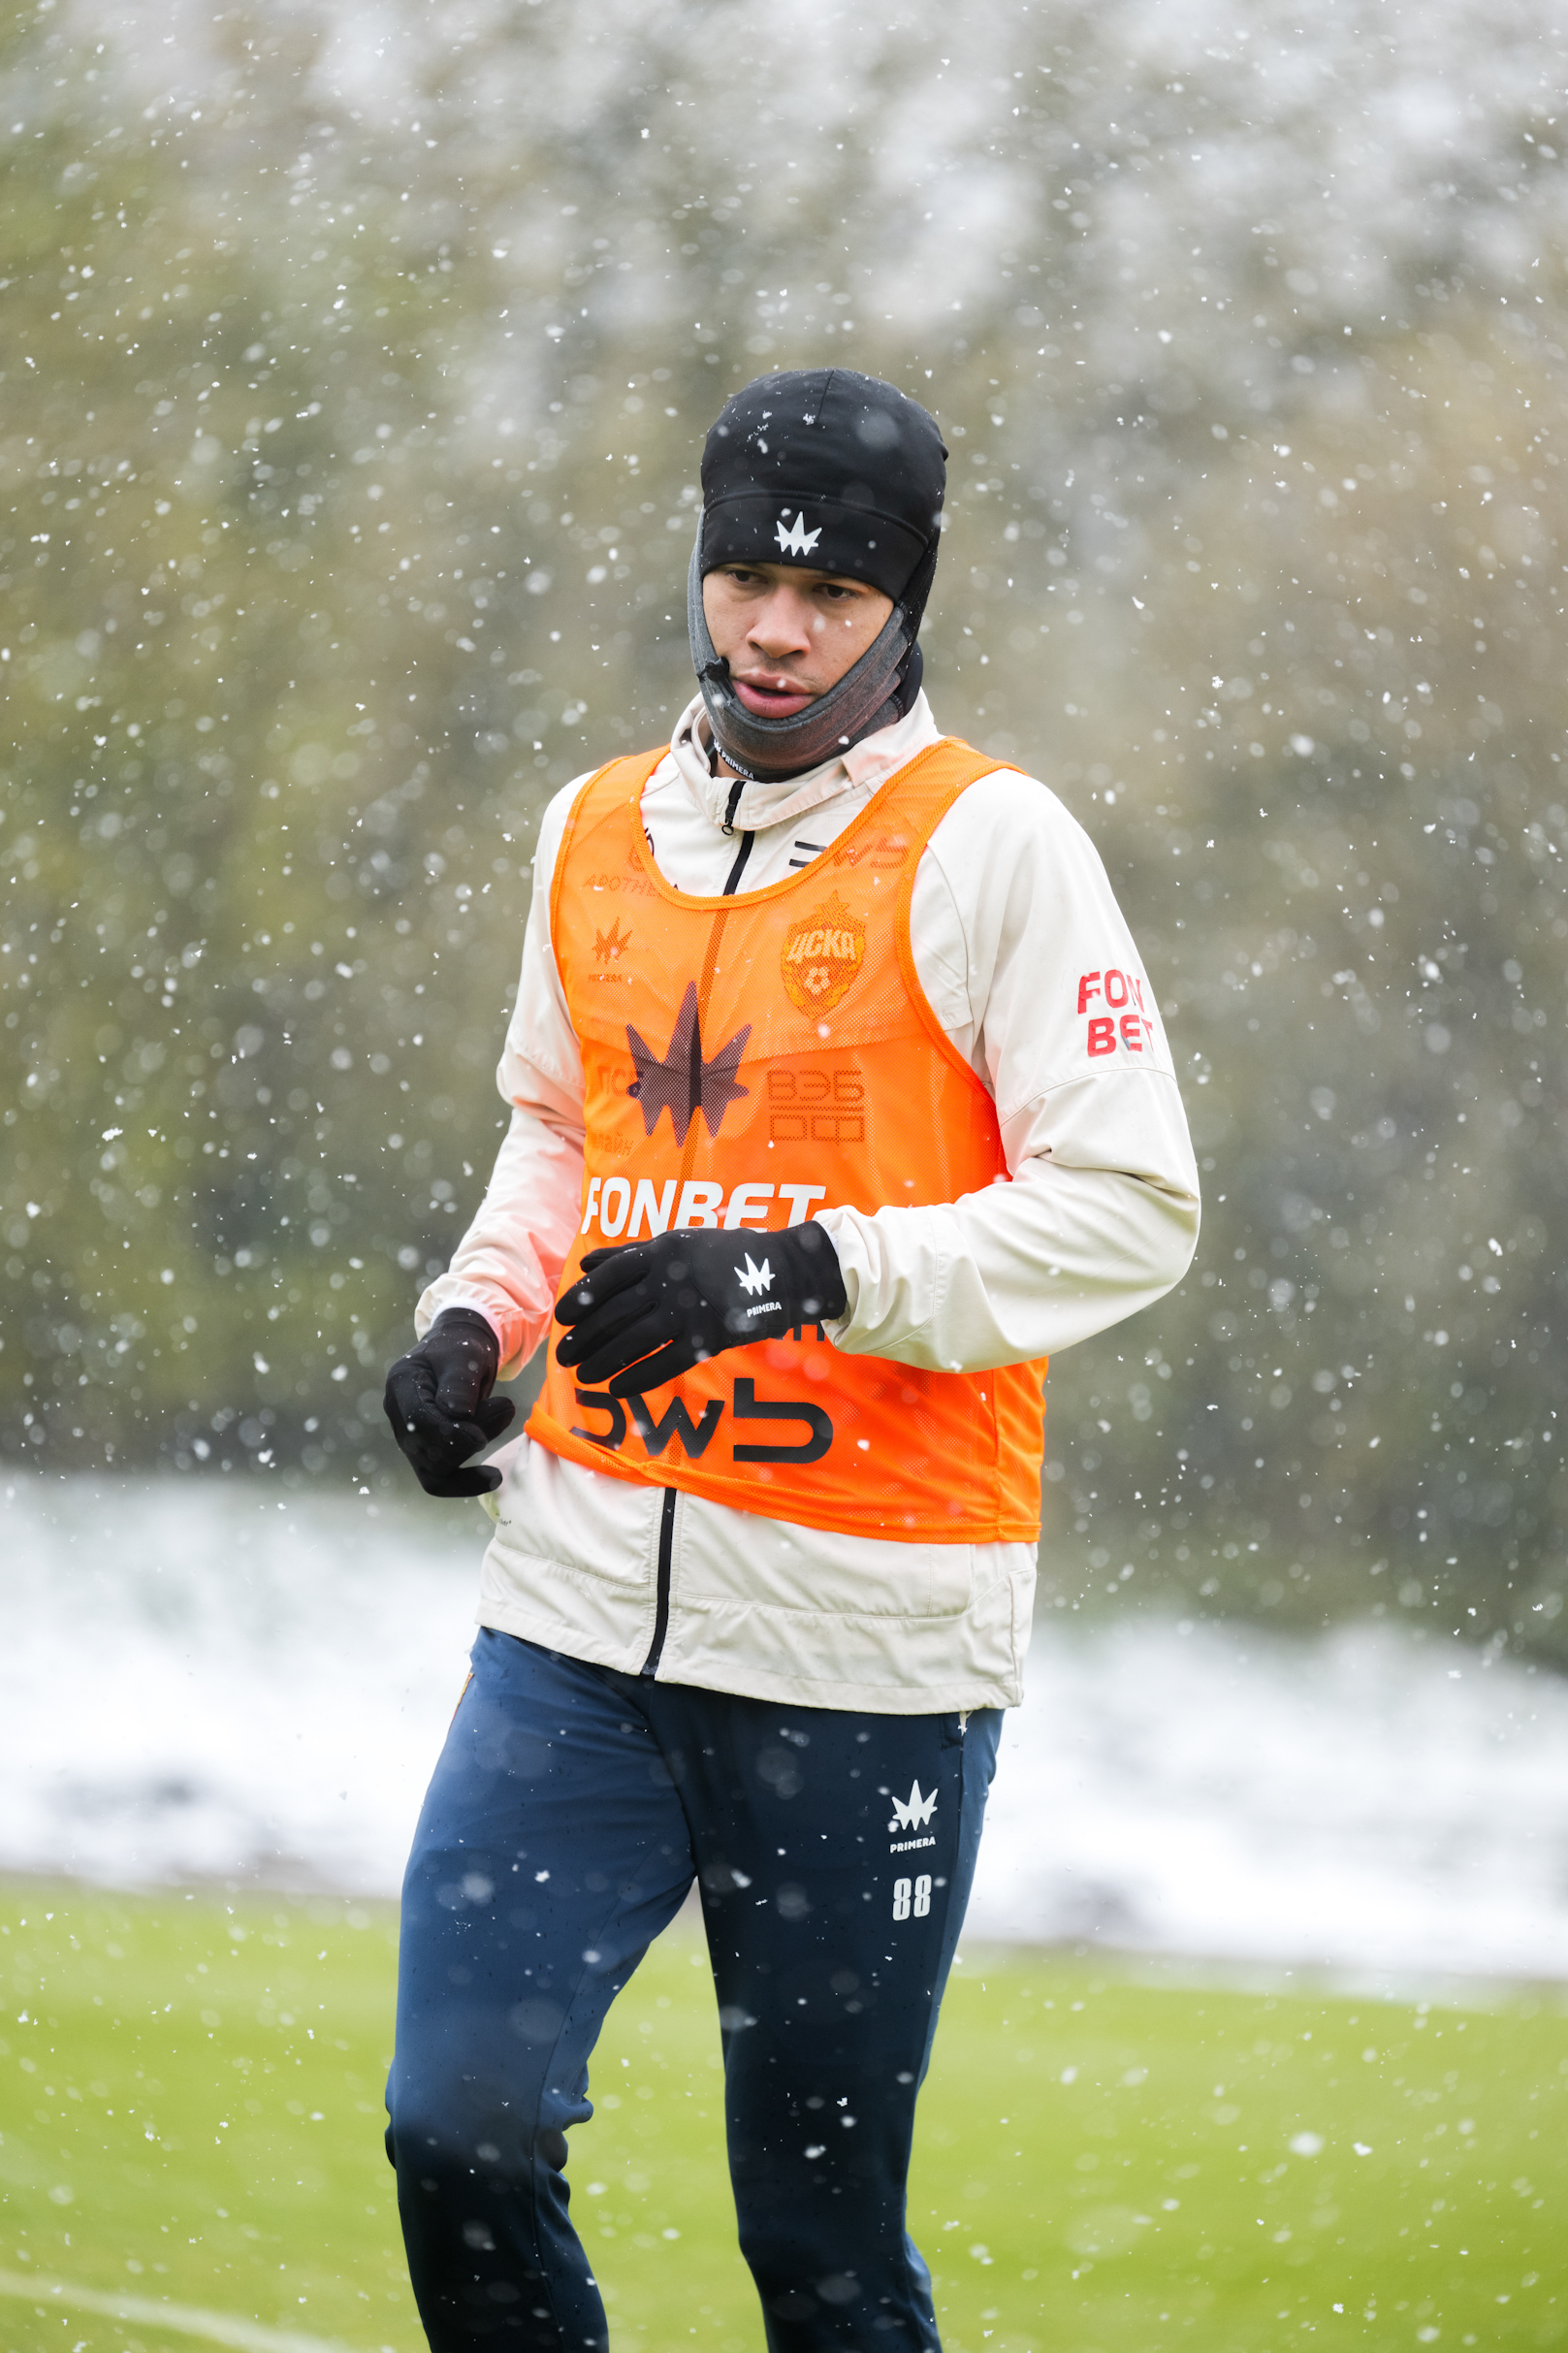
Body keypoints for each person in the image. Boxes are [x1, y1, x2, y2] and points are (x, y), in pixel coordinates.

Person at [381, 366, 1200, 2353]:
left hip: (867, 1652)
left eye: (828, 595)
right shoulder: (591, 827)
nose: (771, 628)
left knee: (818, 2242)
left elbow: (1129, 1207)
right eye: (744, 575)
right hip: (573, 1623)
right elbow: (561, 1129)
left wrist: (812, 1270)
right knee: (455, 2124)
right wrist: (476, 1317)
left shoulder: (994, 844)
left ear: (904, 603)